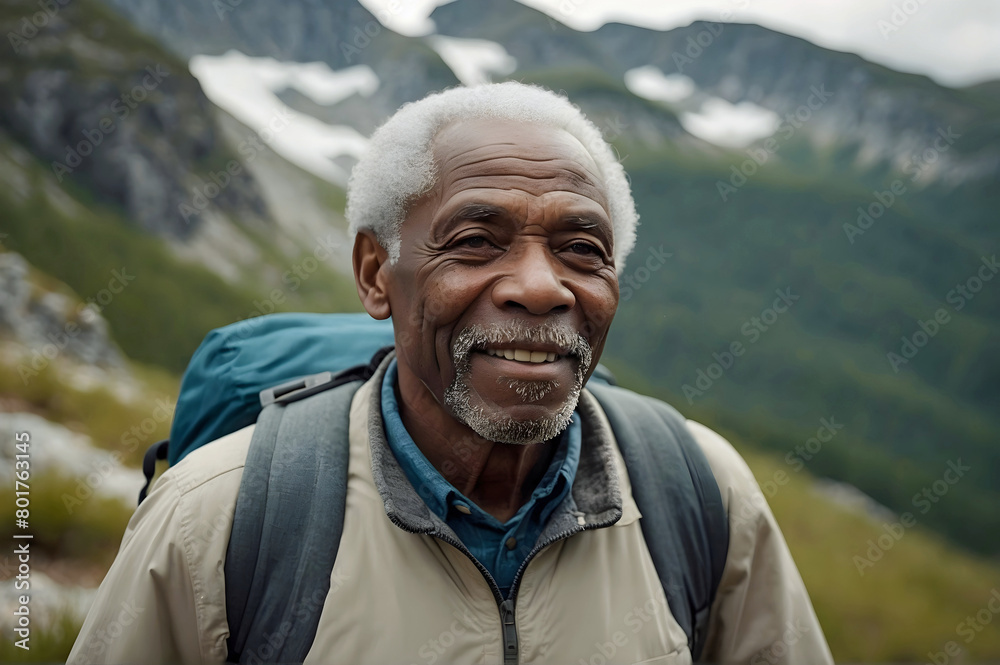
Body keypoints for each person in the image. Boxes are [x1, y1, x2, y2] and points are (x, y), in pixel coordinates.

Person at [69, 82, 833, 664]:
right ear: (376, 274)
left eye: (583, 249)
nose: (542, 287)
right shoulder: (216, 518)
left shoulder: (699, 491)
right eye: (475, 239)